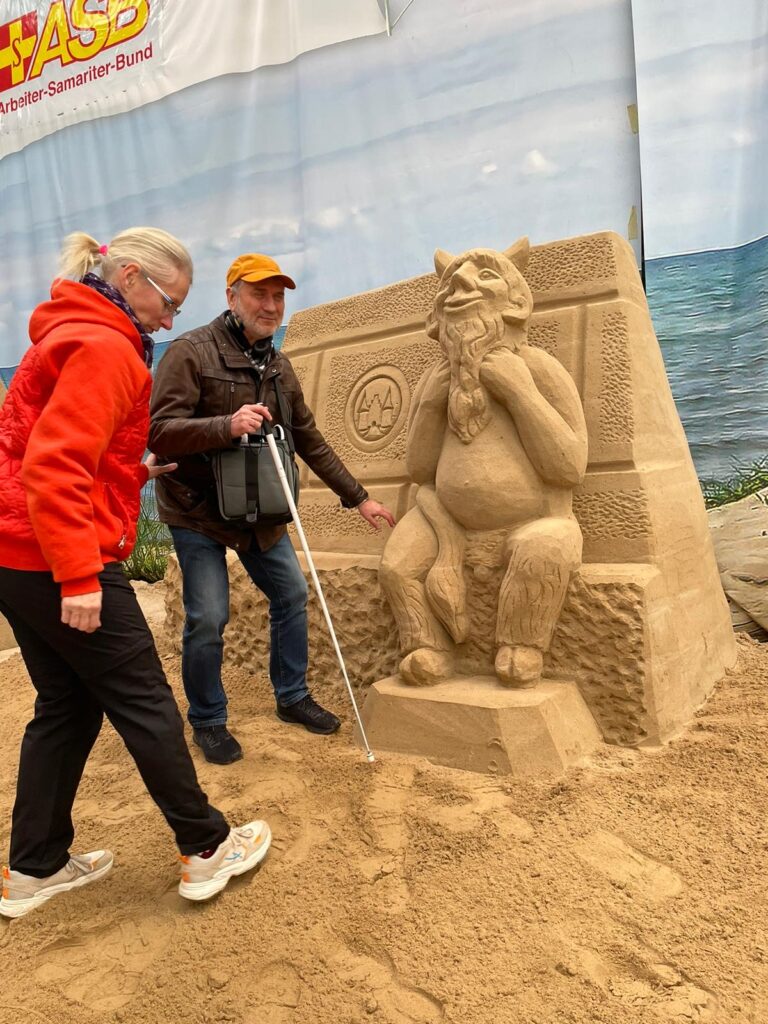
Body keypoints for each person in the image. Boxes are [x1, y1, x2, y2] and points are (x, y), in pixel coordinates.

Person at [0, 229, 271, 919]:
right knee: (145, 699)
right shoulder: (105, 347)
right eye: (167, 302)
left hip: (15, 551)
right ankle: (207, 847)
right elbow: (54, 466)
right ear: (128, 275)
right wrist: (81, 576)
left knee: (65, 705)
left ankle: (35, 866)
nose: (169, 318)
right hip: (60, 552)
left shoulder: (68, 329)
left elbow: (46, 445)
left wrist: (131, 470)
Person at [148, 253, 395, 765]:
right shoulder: (190, 352)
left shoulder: (279, 366)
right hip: (198, 511)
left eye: (278, 296)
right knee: (209, 616)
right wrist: (225, 424)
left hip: (260, 508)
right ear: (232, 297)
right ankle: (209, 720)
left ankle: (292, 697)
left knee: (292, 593)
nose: (270, 305)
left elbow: (309, 439)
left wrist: (360, 498)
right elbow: (159, 432)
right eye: (259, 294)